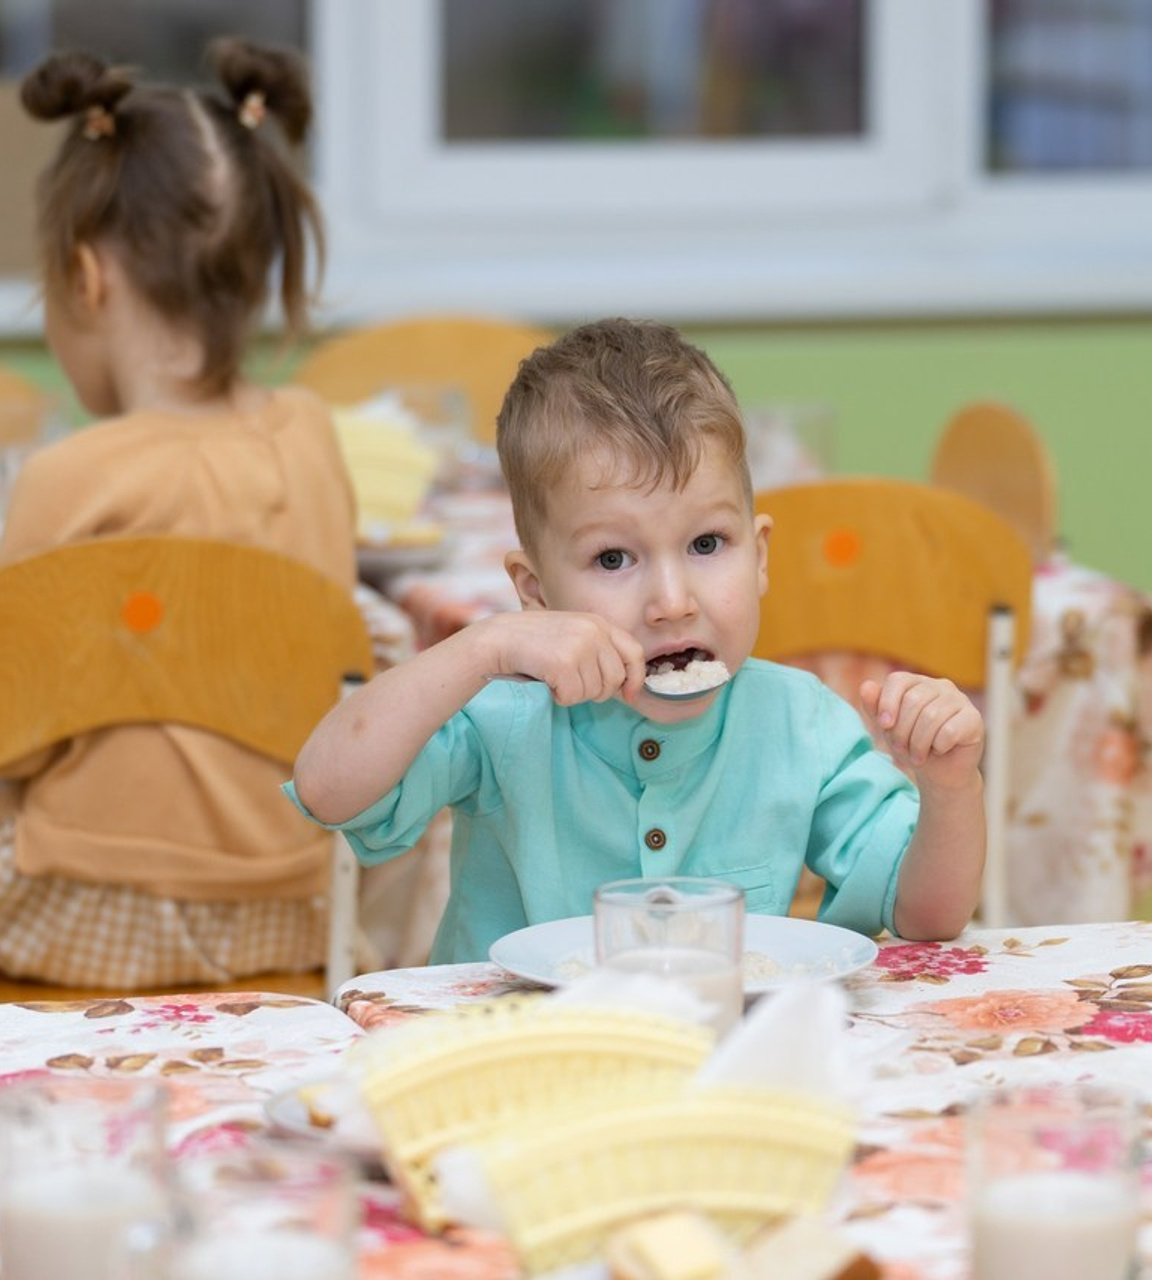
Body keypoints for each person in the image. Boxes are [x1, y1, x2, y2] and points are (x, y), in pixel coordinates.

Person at [289, 319, 986, 963]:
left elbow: (926, 916)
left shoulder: (802, 724)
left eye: (707, 543)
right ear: (535, 593)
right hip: (512, 1058)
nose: (671, 603)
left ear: (761, 554)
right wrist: (482, 648)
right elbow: (328, 793)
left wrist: (950, 786)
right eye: (614, 560)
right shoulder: (503, 717)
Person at [0, 39, 357, 987]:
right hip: (298, 910)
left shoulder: (67, 476)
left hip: (81, 912)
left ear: (86, 278)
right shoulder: (312, 436)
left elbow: (12, 733)